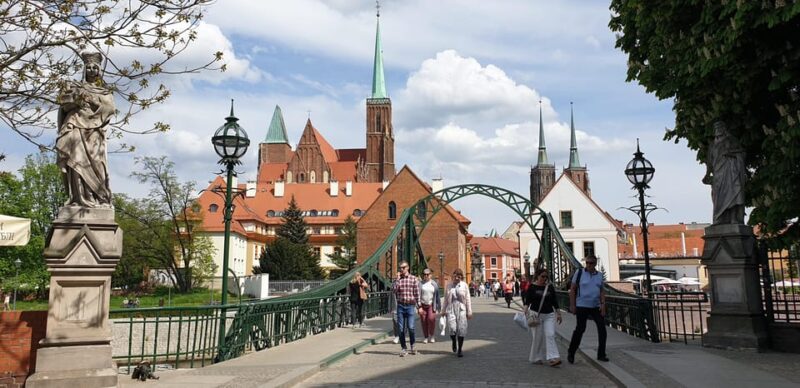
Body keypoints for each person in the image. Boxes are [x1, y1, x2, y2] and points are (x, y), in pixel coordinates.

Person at [56, 51, 115, 208]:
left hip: (94, 131)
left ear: (99, 71)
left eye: (95, 68)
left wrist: (93, 100)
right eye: (88, 68)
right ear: (84, 70)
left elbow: (109, 109)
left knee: (96, 163)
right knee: (76, 161)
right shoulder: (75, 87)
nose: (91, 71)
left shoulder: (105, 92)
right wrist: (75, 100)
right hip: (75, 126)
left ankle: (98, 196)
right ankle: (78, 197)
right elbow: (64, 106)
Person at [703, 121, 746, 225]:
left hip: (731, 172)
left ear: (724, 128)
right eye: (716, 127)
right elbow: (710, 161)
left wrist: (731, 154)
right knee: (718, 197)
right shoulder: (712, 145)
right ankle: (719, 218)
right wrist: (707, 174)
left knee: (733, 195)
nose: (718, 129)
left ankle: (733, 219)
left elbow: (742, 154)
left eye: (720, 127)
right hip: (718, 175)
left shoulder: (732, 141)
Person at [567, 255, 608, 363]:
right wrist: (572, 305)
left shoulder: (599, 275)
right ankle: (571, 352)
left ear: (595, 264)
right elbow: (572, 289)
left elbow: (602, 291)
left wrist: (603, 305)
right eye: (587, 263)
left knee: (602, 329)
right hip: (582, 305)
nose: (589, 265)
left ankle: (601, 354)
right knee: (580, 329)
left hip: (595, 306)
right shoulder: (579, 273)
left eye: (591, 263)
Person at [525, 268, 562, 367]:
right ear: (537, 276)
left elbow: (554, 301)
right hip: (536, 315)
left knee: (550, 334)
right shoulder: (532, 287)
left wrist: (558, 313)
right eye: (542, 276)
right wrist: (525, 309)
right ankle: (536, 357)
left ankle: (552, 358)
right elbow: (528, 300)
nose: (544, 279)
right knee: (538, 337)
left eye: (546, 277)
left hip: (549, 314)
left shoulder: (549, 287)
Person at [441, 268, 472, 357]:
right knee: (452, 328)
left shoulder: (464, 285)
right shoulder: (449, 285)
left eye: (459, 276)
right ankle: (454, 341)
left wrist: (469, 311)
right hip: (451, 308)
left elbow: (468, 299)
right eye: (455, 276)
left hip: (461, 308)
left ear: (461, 277)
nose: (457, 278)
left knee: (461, 329)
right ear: (452, 276)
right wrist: (443, 310)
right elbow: (446, 300)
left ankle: (460, 349)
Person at [392, 261, 420, 356]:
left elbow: (416, 293)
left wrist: (419, 306)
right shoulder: (398, 279)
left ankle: (413, 345)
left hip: (410, 306)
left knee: (411, 327)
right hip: (400, 305)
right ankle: (403, 348)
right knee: (400, 329)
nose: (402, 269)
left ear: (407, 267)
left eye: (403, 267)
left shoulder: (413, 279)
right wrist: (397, 280)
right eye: (400, 268)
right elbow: (394, 291)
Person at [418, 268, 441, 343]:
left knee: (431, 319)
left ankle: (432, 335)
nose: (426, 276)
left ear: (431, 275)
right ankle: (426, 337)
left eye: (428, 274)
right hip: (422, 305)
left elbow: (437, 296)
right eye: (424, 274)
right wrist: (418, 307)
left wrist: (439, 308)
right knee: (424, 321)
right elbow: (417, 295)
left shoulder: (434, 284)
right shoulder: (420, 284)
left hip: (431, 305)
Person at [388, 271, 401, 343]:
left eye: (398, 276)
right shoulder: (393, 285)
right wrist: (390, 308)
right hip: (395, 307)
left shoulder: (404, 283)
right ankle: (396, 336)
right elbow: (390, 297)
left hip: (403, 305)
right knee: (395, 321)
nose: (397, 277)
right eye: (396, 276)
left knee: (402, 322)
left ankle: (401, 335)